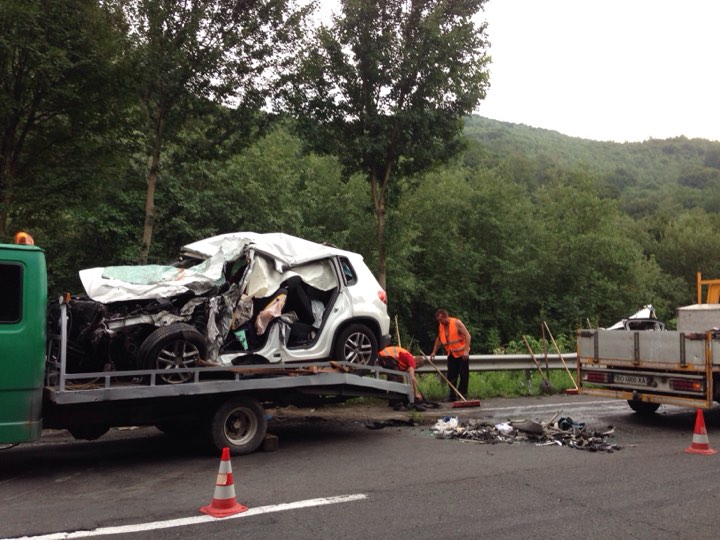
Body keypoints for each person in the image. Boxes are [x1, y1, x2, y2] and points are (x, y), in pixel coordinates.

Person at [430, 309, 471, 402]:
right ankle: (452, 396)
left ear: (446, 317)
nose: (440, 322)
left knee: (464, 375)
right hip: (451, 353)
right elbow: (439, 339)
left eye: (441, 320)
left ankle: (463, 395)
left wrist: (466, 351)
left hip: (462, 353)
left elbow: (468, 336)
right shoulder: (441, 326)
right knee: (451, 376)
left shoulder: (457, 323)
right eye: (439, 320)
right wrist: (434, 351)